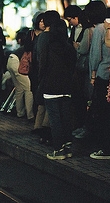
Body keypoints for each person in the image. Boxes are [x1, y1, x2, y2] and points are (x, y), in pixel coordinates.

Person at [39, 18, 76, 160]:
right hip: (66, 86)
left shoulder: (48, 46)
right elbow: (73, 67)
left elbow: (42, 65)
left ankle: (58, 149)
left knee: (55, 119)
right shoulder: (69, 48)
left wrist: (41, 80)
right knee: (65, 117)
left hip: (50, 86)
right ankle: (67, 148)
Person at [84, 0, 110, 159]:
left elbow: (96, 54)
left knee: (102, 112)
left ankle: (106, 147)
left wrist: (92, 75)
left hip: (103, 74)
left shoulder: (99, 29)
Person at [64, 5, 92, 137]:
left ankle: (84, 126)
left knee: (84, 97)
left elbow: (83, 49)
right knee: (78, 98)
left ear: (76, 17)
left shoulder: (88, 29)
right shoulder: (74, 29)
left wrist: (77, 47)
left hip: (84, 68)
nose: (70, 23)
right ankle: (79, 125)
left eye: (70, 19)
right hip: (76, 67)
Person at [32, 10, 60, 144]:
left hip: (44, 73)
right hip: (51, 74)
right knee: (48, 105)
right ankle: (45, 131)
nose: (41, 22)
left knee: (44, 103)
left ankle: (41, 129)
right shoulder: (54, 35)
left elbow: (40, 58)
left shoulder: (44, 36)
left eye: (44, 20)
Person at [6, 28, 34, 121]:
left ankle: (20, 113)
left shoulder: (25, 45)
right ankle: (30, 115)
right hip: (16, 63)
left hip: (10, 60)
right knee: (28, 88)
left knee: (19, 89)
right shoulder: (32, 45)